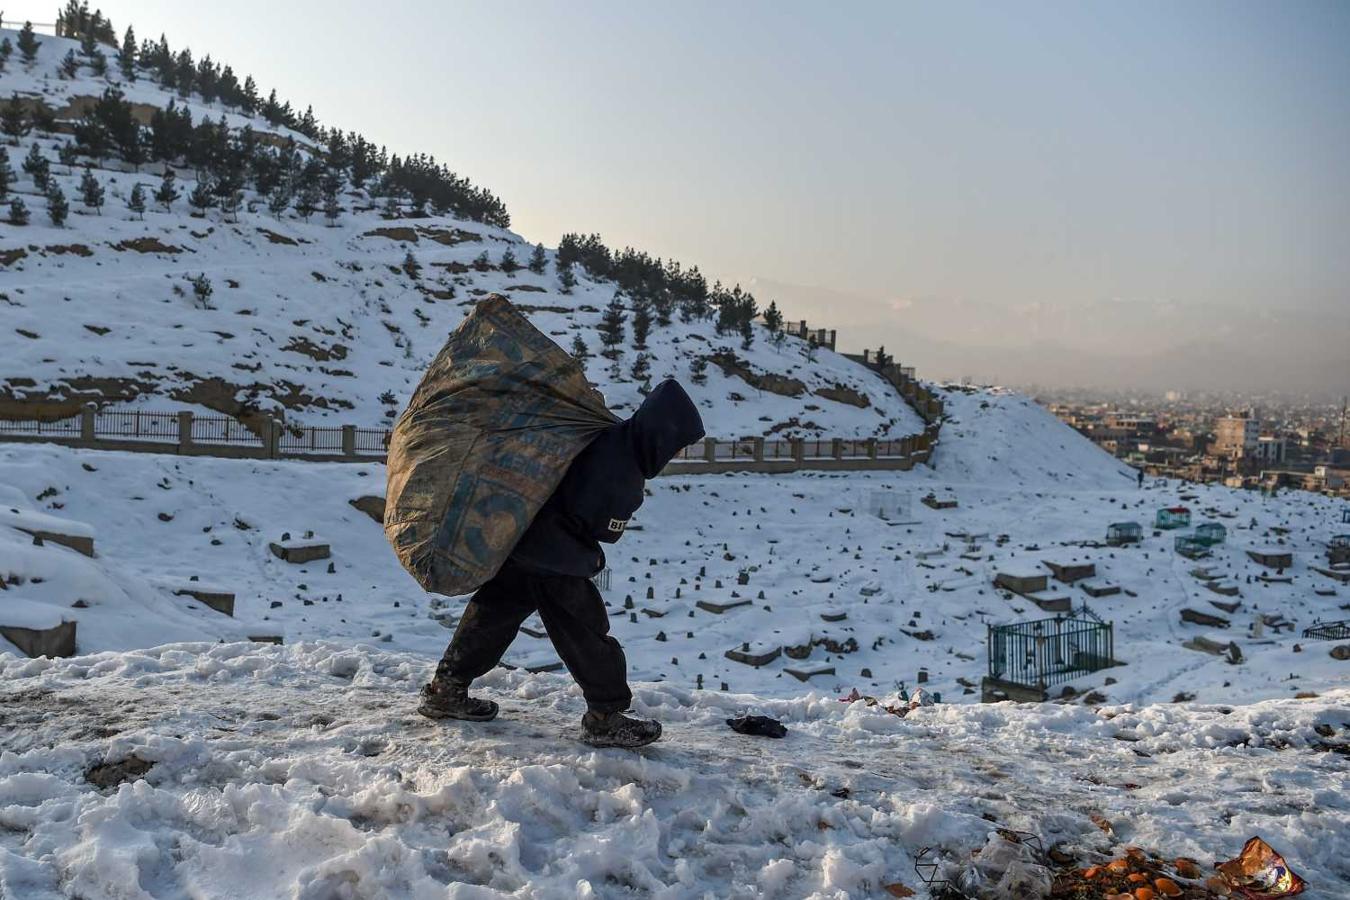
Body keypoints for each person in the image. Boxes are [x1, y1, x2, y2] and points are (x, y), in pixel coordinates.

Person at [418, 379, 706, 748]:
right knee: (586, 633)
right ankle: (605, 716)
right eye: (678, 445)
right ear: (663, 434)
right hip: (555, 557)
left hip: (522, 541)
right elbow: (605, 529)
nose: (676, 453)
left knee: (492, 617)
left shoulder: (607, 436)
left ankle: (447, 688)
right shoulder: (623, 468)